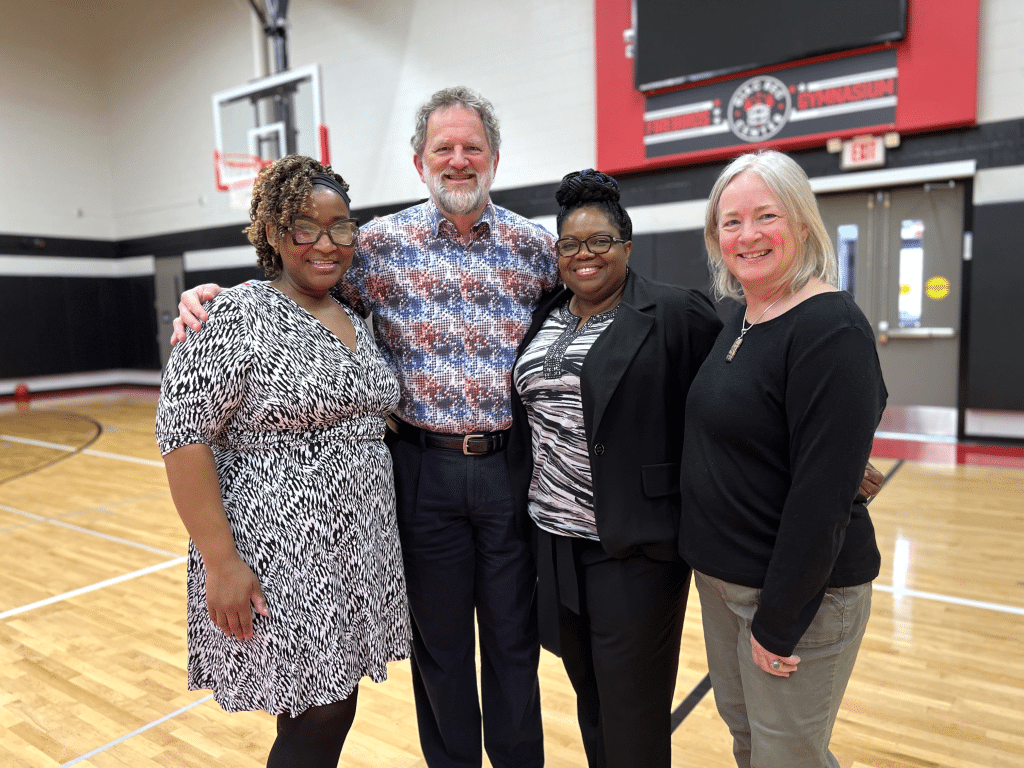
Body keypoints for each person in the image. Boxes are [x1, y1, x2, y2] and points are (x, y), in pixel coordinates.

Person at [171, 87, 557, 768]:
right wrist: (207, 299)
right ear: (419, 162)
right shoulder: (376, 247)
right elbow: (290, 287)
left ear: (494, 158)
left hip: (503, 469)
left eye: (472, 148)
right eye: (445, 148)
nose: (459, 160)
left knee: (513, 640)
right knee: (439, 650)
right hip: (421, 473)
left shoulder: (536, 250)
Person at [156, 155, 410, 768]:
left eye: (340, 227)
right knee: (316, 718)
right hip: (281, 556)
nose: (325, 243)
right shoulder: (235, 315)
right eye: (305, 226)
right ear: (271, 231)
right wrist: (221, 563)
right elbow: (181, 436)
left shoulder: (355, 315)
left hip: (356, 553)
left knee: (330, 706)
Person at [678, 150, 887, 768]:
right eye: (731, 221)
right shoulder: (738, 317)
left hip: (797, 595)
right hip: (724, 585)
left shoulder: (831, 328)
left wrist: (779, 618)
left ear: (801, 224)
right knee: (749, 741)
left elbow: (822, 497)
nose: (747, 235)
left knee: (787, 757)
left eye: (765, 216)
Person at [507, 169, 723, 768]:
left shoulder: (676, 314)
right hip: (555, 542)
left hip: (633, 546)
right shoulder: (546, 314)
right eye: (570, 244)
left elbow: (743, 382)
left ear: (626, 246)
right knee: (592, 699)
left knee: (633, 714)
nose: (584, 254)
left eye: (599, 241)